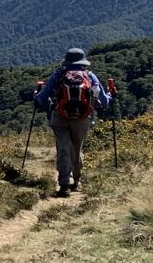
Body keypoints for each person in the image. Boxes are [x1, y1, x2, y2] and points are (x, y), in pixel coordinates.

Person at [35, 47, 112, 197]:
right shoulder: (90, 76)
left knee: (63, 148)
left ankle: (64, 184)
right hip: (82, 118)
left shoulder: (58, 75)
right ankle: (76, 181)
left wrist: (36, 96)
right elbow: (104, 101)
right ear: (83, 62)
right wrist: (111, 96)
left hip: (60, 117)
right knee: (77, 149)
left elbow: (42, 98)